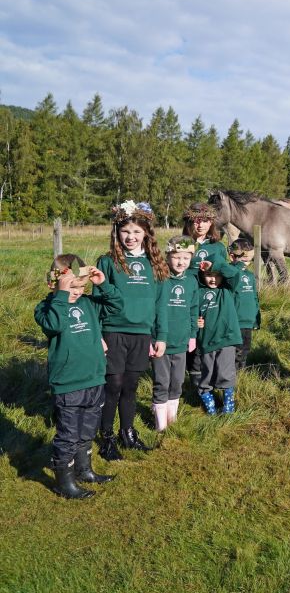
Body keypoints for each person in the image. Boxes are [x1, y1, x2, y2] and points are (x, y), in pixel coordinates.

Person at [35, 255, 123, 498]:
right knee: (68, 434)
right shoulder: (45, 308)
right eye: (71, 287)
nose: (77, 292)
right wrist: (62, 295)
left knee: (87, 429)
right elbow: (54, 325)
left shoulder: (88, 303)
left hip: (94, 378)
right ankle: (64, 482)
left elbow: (117, 306)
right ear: (53, 284)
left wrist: (102, 284)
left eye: (81, 287)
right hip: (68, 383)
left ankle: (85, 470)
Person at [95, 201, 169, 461]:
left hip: (142, 334)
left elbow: (161, 304)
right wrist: (98, 337)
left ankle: (128, 432)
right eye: (126, 231)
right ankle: (107, 437)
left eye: (137, 232)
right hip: (113, 331)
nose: (131, 237)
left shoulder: (156, 264)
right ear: (117, 231)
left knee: (130, 386)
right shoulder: (107, 262)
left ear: (146, 234)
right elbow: (96, 301)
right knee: (113, 385)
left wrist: (161, 336)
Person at [151, 236, 200, 431]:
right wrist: (151, 336)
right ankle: (160, 425)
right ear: (168, 256)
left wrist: (192, 334)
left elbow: (193, 309)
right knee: (161, 381)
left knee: (178, 382)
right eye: (176, 257)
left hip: (181, 341)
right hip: (161, 342)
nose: (181, 262)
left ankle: (172, 419)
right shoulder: (159, 279)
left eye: (186, 258)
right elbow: (152, 310)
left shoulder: (191, 281)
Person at [183, 202, 227, 390]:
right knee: (189, 332)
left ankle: (211, 374)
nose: (200, 225)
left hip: (208, 297)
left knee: (206, 333)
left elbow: (223, 275)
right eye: (196, 221)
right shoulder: (183, 242)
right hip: (185, 296)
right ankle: (192, 373)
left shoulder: (217, 247)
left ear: (211, 224)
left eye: (205, 221)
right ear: (189, 222)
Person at [196, 259, 244, 415]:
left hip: (226, 338)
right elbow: (191, 312)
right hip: (206, 340)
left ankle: (228, 405)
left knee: (226, 372)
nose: (213, 279)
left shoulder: (227, 289)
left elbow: (235, 273)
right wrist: (196, 321)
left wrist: (214, 265)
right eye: (209, 275)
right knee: (207, 373)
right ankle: (209, 405)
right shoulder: (197, 291)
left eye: (217, 275)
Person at [228, 238, 261, 369]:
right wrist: (237, 266)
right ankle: (230, 379)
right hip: (235, 321)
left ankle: (240, 378)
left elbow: (254, 297)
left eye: (249, 261)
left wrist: (255, 320)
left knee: (245, 351)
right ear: (232, 257)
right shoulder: (230, 273)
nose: (246, 264)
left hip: (248, 321)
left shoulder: (250, 275)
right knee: (235, 352)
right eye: (244, 260)